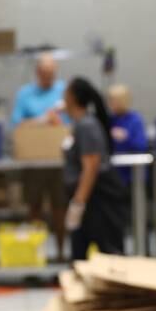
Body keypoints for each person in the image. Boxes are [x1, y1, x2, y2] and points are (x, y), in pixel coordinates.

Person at [63, 77, 128, 260]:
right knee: (79, 253)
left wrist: (78, 203)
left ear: (73, 98)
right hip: (90, 200)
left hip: (99, 200)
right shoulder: (79, 124)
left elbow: (91, 166)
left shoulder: (87, 125)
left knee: (110, 253)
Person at [11, 53, 68, 260]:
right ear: (37, 73)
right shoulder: (25, 94)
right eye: (44, 73)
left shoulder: (65, 91)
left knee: (60, 208)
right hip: (33, 162)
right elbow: (17, 124)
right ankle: (35, 255)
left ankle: (62, 253)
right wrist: (44, 119)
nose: (48, 77)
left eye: (51, 73)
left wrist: (58, 119)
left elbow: (74, 122)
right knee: (34, 207)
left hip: (59, 161)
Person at [107, 84, 148, 185]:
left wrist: (126, 137)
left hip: (132, 173)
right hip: (113, 172)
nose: (111, 103)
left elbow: (141, 146)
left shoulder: (135, 120)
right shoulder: (110, 120)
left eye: (114, 100)